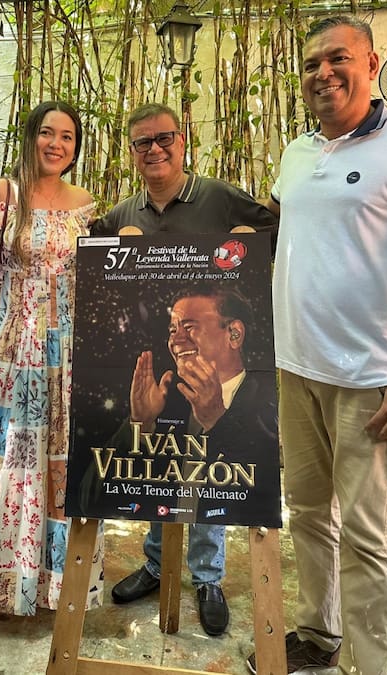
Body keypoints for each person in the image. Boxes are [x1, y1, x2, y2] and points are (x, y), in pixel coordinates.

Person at [246, 16, 387, 675]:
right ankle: (319, 634)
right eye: (312, 63)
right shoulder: (296, 152)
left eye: (337, 58)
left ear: (371, 63)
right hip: (296, 368)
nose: (323, 73)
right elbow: (277, 227)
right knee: (310, 513)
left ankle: (368, 664)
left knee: (370, 536)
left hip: (372, 379)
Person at [90, 102, 277, 637]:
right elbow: (90, 263)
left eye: (164, 138)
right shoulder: (123, 213)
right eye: (142, 142)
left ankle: (207, 576)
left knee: (209, 461)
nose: (154, 149)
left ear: (183, 140)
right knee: (159, 461)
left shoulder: (218, 197)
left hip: (215, 361)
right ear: (132, 151)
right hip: (158, 361)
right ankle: (156, 563)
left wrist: (245, 240)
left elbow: (272, 236)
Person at [0, 101, 103, 616]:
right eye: (47, 132)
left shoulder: (85, 203)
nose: (56, 144)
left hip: (69, 348)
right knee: (11, 452)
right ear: (31, 136)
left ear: (76, 147)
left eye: (67, 136)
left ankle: (59, 581)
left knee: (61, 453)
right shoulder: (4, 194)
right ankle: (3, 577)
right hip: (18, 345)